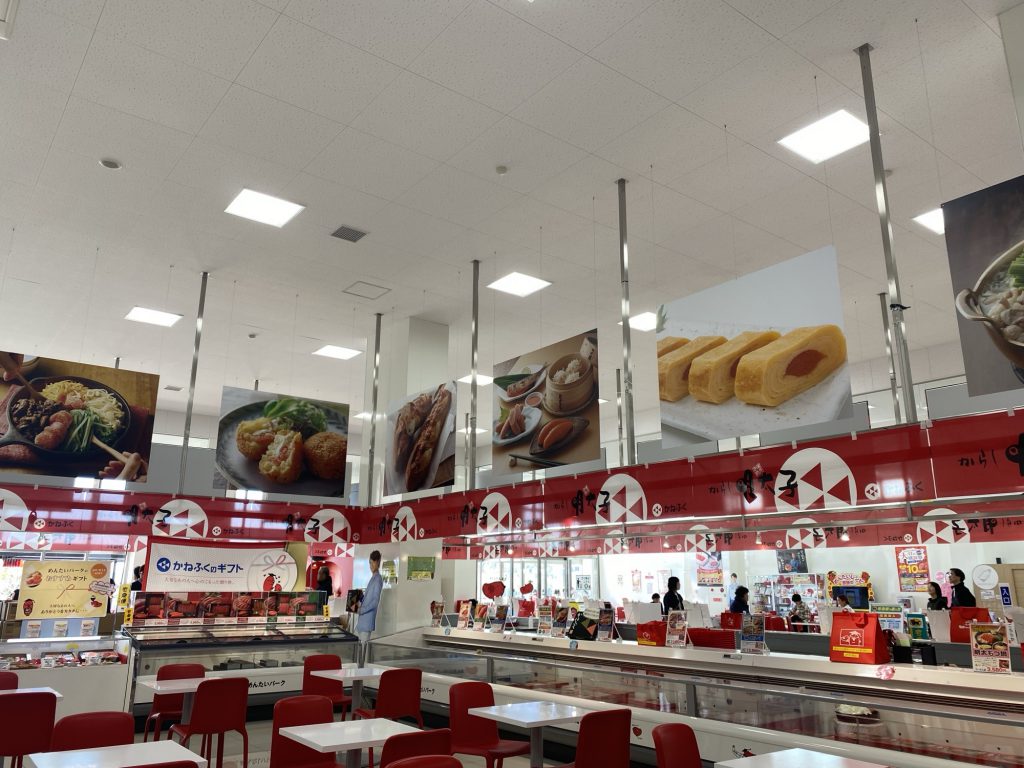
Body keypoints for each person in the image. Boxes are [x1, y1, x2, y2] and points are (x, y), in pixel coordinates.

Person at [356, 550, 383, 644]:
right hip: (362, 622)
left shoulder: (378, 579)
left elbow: (375, 602)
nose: (371, 565)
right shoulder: (373, 578)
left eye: (373, 563)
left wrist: (361, 610)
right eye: (370, 563)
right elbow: (368, 599)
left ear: (378, 562)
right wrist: (360, 596)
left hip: (366, 622)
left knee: (363, 650)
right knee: (359, 649)